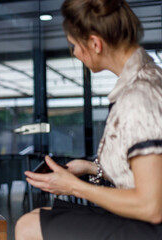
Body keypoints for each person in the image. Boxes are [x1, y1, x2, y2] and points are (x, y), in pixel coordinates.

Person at [15, 0, 162, 239]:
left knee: (28, 227)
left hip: (151, 225)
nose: (74, 53)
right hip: (143, 218)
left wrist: (74, 187)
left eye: (73, 45)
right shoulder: (146, 77)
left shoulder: (139, 96)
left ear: (95, 43)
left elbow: (151, 206)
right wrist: (90, 168)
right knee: (37, 216)